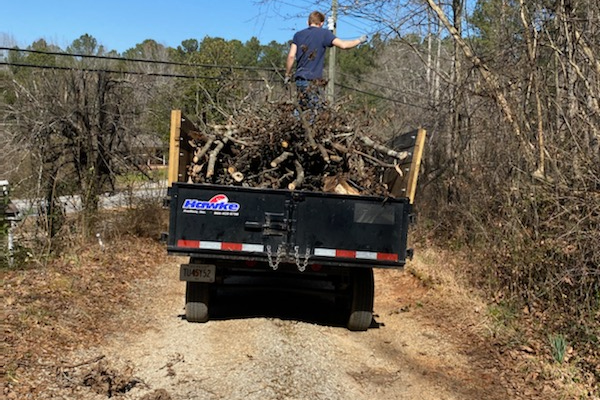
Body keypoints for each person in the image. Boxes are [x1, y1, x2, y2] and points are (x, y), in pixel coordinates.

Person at [285, 11, 367, 110]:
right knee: (315, 111)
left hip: (300, 79)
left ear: (308, 22)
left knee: (301, 109)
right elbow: (344, 45)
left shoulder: (298, 35)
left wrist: (287, 74)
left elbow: (291, 56)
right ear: (322, 23)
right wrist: (359, 40)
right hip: (314, 80)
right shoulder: (324, 34)